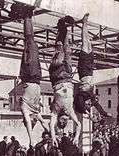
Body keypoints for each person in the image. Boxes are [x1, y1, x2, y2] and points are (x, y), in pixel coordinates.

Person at [49, 15, 81, 147]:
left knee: (59, 49)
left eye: (61, 121)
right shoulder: (70, 111)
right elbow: (78, 124)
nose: (64, 118)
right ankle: (64, 27)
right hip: (67, 76)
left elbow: (51, 125)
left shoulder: (55, 111)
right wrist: (77, 137)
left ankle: (61, 26)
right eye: (65, 121)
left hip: (57, 77)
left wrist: (53, 137)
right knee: (67, 50)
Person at [19, 5, 48, 149]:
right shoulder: (35, 113)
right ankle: (28, 16)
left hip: (29, 75)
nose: (34, 120)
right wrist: (52, 133)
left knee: (29, 41)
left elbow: (29, 124)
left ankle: (27, 16)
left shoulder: (25, 110)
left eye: (32, 121)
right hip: (36, 78)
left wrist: (31, 139)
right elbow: (43, 122)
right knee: (33, 44)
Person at [74, 13, 111, 120]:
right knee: (89, 44)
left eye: (87, 105)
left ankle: (84, 22)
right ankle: (84, 24)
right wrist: (104, 113)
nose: (89, 104)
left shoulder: (80, 96)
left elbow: (80, 105)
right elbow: (97, 105)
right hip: (89, 71)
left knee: (85, 43)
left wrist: (87, 113)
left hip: (84, 71)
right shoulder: (90, 97)